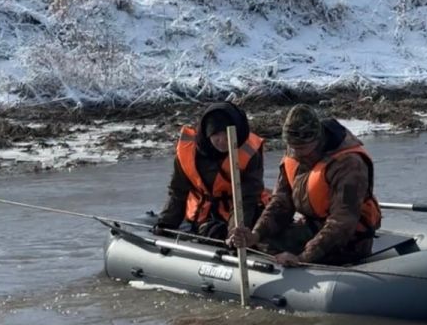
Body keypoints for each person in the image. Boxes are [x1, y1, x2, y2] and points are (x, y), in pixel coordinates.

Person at [228, 104, 381, 266]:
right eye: (292, 148)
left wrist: (303, 258)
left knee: (277, 247)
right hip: (312, 226)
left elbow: (343, 221)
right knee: (263, 242)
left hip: (350, 239)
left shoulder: (349, 164)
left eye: (302, 148)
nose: (297, 153)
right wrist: (256, 234)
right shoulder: (293, 154)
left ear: (318, 139)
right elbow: (281, 203)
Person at [155, 102, 267, 240]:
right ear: (207, 134)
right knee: (210, 230)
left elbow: (246, 199)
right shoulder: (188, 151)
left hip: (239, 214)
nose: (222, 141)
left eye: (227, 136)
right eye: (216, 135)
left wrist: (234, 233)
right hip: (202, 215)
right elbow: (178, 192)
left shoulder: (249, 153)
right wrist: (166, 225)